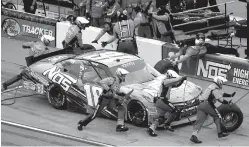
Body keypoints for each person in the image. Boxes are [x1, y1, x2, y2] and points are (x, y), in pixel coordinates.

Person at [190, 76, 235, 143]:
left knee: (199, 121)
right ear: (219, 81)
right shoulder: (215, 89)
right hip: (207, 105)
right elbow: (221, 100)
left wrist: (230, 95)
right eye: (222, 82)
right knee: (217, 117)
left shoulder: (212, 86)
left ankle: (194, 136)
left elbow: (221, 93)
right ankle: (220, 133)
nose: (222, 84)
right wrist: (228, 102)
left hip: (200, 104)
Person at [147, 70, 187, 137]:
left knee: (161, 118)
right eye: (172, 77)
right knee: (176, 110)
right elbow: (175, 80)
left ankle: (151, 129)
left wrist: (182, 80)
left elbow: (177, 84)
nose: (173, 78)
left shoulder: (168, 83)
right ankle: (167, 125)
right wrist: (182, 77)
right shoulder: (166, 81)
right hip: (162, 101)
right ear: (169, 76)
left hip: (159, 101)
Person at [169, 33, 240, 66]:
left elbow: (185, 56)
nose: (201, 40)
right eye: (200, 39)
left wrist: (176, 62)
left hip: (209, 48)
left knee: (222, 49)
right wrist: (170, 58)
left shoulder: (201, 45)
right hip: (200, 50)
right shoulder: (189, 44)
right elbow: (179, 53)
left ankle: (234, 51)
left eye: (202, 39)